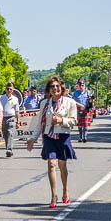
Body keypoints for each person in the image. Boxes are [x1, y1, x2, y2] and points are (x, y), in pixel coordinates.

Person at [26, 76, 78, 208]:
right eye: (52, 86)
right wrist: (33, 138)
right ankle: (54, 195)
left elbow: (74, 121)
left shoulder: (69, 102)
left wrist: (62, 121)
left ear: (61, 88)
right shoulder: (44, 103)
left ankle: (65, 190)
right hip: (49, 136)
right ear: (49, 89)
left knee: (62, 165)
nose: (55, 88)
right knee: (51, 163)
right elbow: (40, 123)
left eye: (57, 86)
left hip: (63, 135)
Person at [0, 82, 20, 157]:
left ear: (13, 90)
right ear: (5, 89)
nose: (8, 90)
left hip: (11, 117)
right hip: (3, 118)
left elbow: (17, 111)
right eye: (7, 89)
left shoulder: (15, 99)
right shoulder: (1, 98)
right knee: (5, 134)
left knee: (10, 133)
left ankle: (9, 150)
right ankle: (8, 147)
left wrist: (17, 121)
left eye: (10, 89)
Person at [71, 78, 92, 143]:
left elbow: (91, 102)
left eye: (82, 85)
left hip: (86, 110)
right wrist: (80, 106)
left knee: (85, 124)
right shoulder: (75, 93)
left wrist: (91, 101)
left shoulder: (88, 93)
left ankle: (85, 137)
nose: (81, 86)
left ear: (85, 85)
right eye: (80, 85)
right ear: (78, 85)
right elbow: (73, 101)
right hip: (78, 109)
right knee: (80, 125)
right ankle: (80, 137)